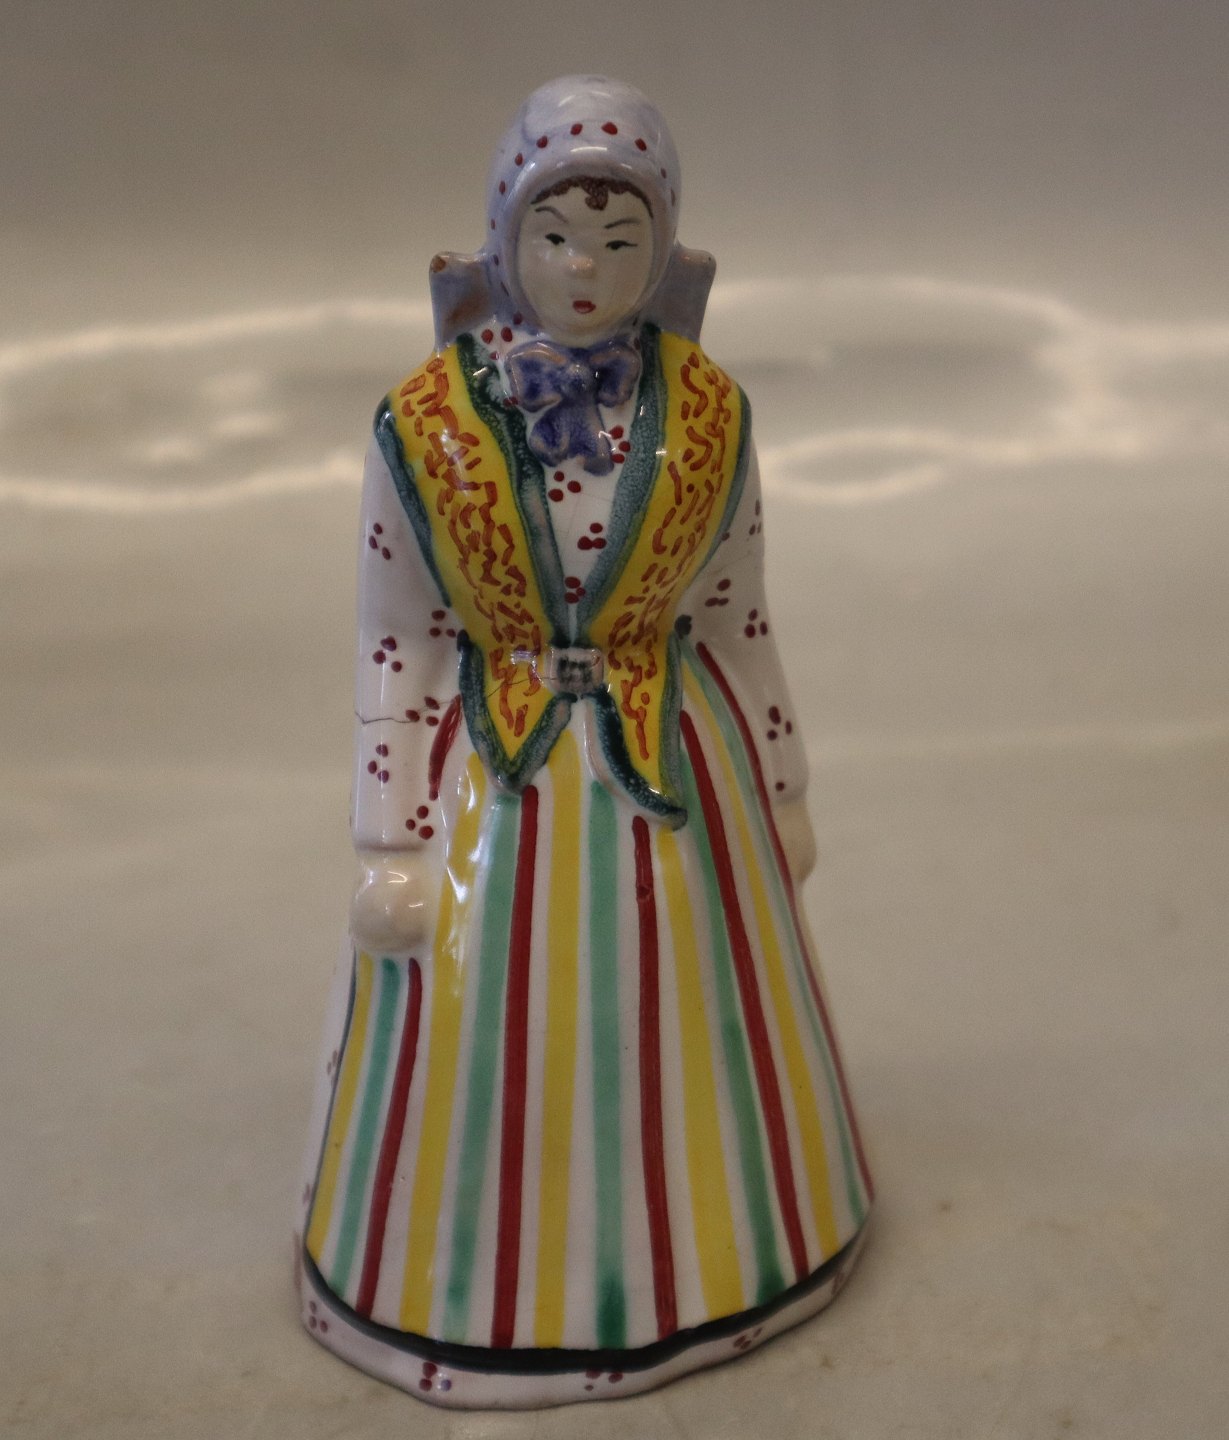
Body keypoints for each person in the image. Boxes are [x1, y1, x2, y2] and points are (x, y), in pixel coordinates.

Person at [296, 75, 873, 1408]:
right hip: (491, 792)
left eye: (622, 242)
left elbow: (736, 616)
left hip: (677, 776)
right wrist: (390, 835)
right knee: (476, 1027)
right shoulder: (422, 424)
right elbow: (398, 638)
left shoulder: (710, 414)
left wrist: (783, 783)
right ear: (505, 239)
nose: (584, 270)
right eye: (556, 237)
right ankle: (458, 1284)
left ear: (663, 251)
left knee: (696, 1030)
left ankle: (729, 1251)